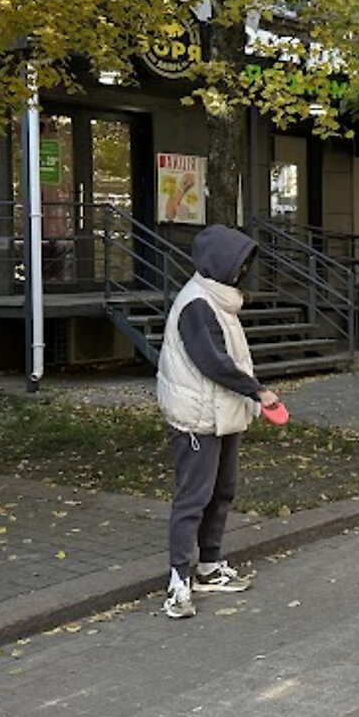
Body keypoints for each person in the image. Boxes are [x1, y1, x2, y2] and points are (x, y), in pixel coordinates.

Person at [156, 225, 276, 620]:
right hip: (197, 417)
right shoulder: (197, 304)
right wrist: (257, 391)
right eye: (240, 263)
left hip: (221, 413)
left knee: (223, 491)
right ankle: (178, 581)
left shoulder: (219, 301)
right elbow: (213, 362)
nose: (244, 271)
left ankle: (208, 566)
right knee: (193, 497)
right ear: (222, 264)